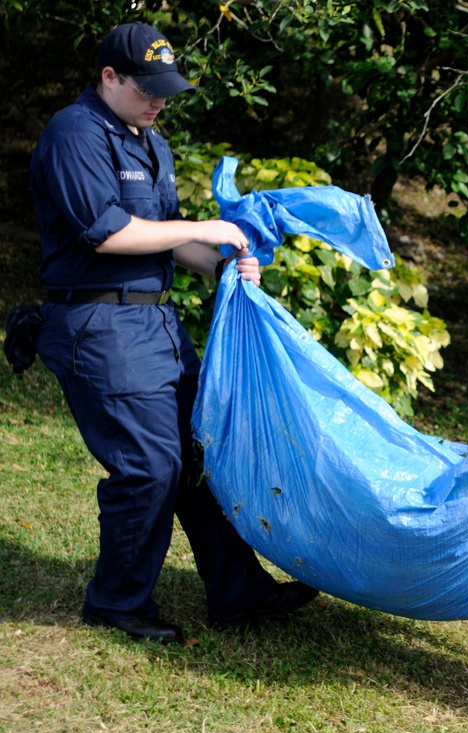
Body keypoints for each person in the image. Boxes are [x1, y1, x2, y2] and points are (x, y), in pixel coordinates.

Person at [28, 22, 318, 644]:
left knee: (199, 455)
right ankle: (117, 604)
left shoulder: (149, 139)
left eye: (167, 90)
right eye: (147, 89)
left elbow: (167, 235)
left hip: (153, 321)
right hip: (98, 323)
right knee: (150, 466)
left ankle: (237, 591)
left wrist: (222, 263)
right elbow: (109, 233)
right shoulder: (73, 135)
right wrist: (210, 225)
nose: (159, 101)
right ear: (109, 77)